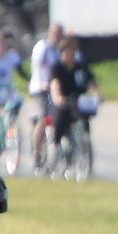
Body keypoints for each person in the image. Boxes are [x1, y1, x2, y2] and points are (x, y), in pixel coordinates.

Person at [46, 35, 97, 166]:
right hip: (62, 100)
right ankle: (55, 145)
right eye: (67, 52)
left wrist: (97, 94)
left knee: (85, 115)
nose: (70, 55)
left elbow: (90, 81)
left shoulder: (80, 67)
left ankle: (84, 141)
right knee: (62, 115)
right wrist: (58, 97)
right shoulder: (57, 68)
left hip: (78, 100)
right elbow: (55, 84)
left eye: (73, 52)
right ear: (62, 54)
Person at [28, 23, 63, 144]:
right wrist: (44, 82)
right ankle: (36, 153)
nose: (57, 37)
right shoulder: (42, 47)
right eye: (55, 33)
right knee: (43, 118)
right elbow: (38, 66)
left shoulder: (60, 50)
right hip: (40, 87)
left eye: (59, 34)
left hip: (54, 87)